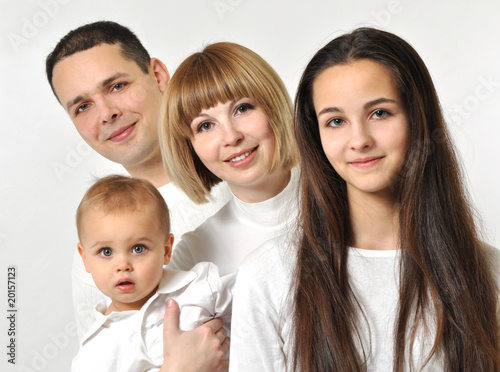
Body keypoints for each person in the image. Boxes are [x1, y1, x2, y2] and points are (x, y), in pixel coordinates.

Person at [229, 27, 500, 371]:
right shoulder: (270, 276)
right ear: (317, 137)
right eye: (336, 121)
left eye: (379, 113)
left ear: (418, 118)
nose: (358, 140)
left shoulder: (488, 272)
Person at [45, 21, 231, 340]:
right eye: (82, 106)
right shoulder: (101, 246)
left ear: (158, 76)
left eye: (117, 86)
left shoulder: (245, 163)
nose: (106, 114)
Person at [160, 42, 299, 275]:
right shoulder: (193, 256)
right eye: (205, 126)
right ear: (189, 148)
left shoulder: (351, 193)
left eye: (242, 109)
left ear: (273, 107)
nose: (231, 137)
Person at [72, 175, 233, 372]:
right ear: (85, 258)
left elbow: (262, 298)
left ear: (166, 251)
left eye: (138, 249)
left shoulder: (198, 288)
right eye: (106, 252)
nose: (123, 265)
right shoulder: (94, 353)